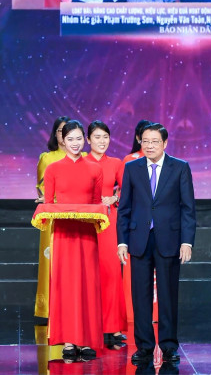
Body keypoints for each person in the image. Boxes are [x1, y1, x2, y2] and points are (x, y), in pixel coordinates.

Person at [117, 123, 196, 365]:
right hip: (139, 239)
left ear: (165, 143)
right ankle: (144, 346)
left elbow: (188, 208)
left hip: (169, 239)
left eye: (155, 141)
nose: (149, 146)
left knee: (168, 294)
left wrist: (187, 241)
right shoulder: (132, 168)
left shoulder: (180, 167)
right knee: (140, 295)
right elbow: (124, 208)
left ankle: (169, 345)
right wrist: (122, 242)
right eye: (146, 141)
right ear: (140, 142)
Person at [43, 120, 105, 359]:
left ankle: (88, 340)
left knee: (88, 284)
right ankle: (69, 340)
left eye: (79, 138)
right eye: (70, 139)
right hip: (63, 235)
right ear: (63, 140)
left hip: (87, 234)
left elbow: (97, 205)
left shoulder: (95, 169)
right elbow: (48, 205)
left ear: (85, 140)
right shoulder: (53, 169)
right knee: (66, 285)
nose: (75, 143)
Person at [84, 120, 127, 348]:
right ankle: (89, 326)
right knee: (89, 275)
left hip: (109, 223)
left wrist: (115, 198)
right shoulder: (81, 162)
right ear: (88, 139)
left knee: (111, 273)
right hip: (86, 223)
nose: (102, 141)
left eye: (106, 137)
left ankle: (112, 326)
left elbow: (129, 189)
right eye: (97, 137)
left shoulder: (116, 163)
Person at [34, 116, 70, 320]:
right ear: (55, 135)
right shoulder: (47, 158)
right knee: (51, 262)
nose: (65, 135)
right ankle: (50, 309)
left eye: (69, 131)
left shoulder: (84, 157)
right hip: (53, 217)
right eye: (60, 131)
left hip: (77, 216)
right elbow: (41, 189)